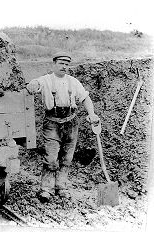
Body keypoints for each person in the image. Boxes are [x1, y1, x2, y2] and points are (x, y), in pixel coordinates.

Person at [26, 52, 99, 203]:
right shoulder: (45, 80)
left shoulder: (73, 82)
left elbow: (85, 98)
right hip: (52, 123)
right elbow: (34, 85)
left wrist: (91, 114)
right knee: (51, 158)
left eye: (66, 64)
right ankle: (46, 189)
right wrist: (32, 85)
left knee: (67, 158)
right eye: (61, 63)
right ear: (54, 65)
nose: (64, 67)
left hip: (71, 123)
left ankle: (61, 186)